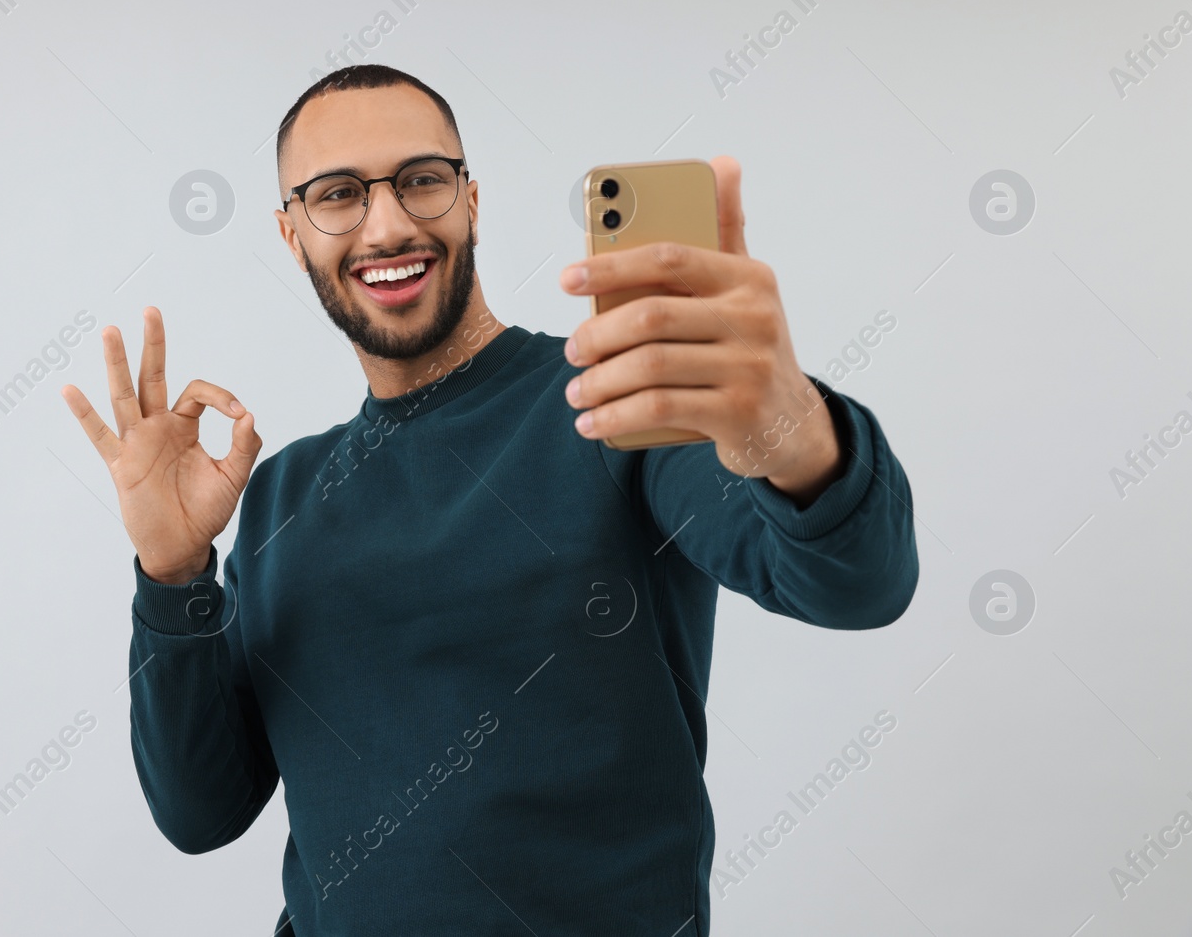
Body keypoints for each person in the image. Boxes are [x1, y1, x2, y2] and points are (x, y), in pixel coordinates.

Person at [60, 64, 919, 936]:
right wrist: (172, 574)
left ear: (471, 201)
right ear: (292, 235)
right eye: (339, 195)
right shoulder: (283, 489)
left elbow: (856, 583)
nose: (387, 224)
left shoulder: (618, 403)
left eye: (422, 181)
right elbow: (201, 812)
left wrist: (793, 430)